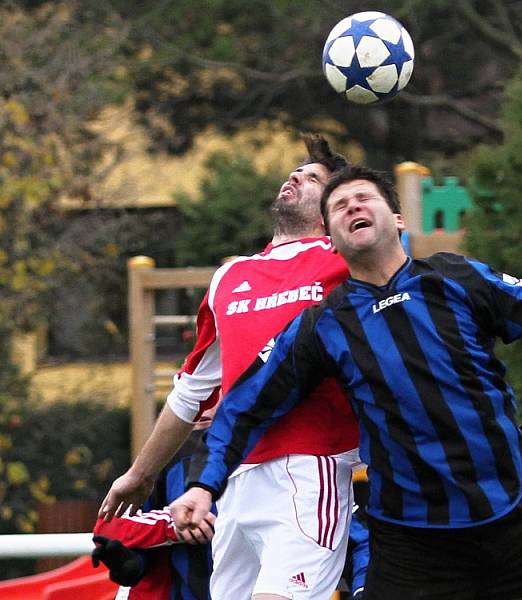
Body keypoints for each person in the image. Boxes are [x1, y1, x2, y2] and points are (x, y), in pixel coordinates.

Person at [170, 164, 522, 600]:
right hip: (409, 536)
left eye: (364, 196)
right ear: (332, 240)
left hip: (501, 513)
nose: (352, 206)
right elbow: (243, 405)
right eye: (339, 205)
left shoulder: (457, 277)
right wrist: (202, 484)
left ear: (397, 220)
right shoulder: (324, 325)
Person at [100, 134, 362, 600]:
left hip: (308, 469)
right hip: (230, 483)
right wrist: (140, 475)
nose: (296, 175)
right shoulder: (231, 276)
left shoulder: (345, 260)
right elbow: (190, 390)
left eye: (314, 177)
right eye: (296, 171)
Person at [92, 409, 217, 599]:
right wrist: (133, 564)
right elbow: (109, 522)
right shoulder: (174, 453)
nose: (206, 404)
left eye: (217, 389)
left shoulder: (268, 455)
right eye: (202, 388)